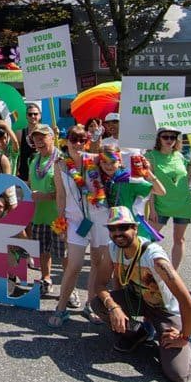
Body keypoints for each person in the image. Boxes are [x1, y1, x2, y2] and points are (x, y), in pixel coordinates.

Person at [90, 207, 191, 382]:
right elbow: (99, 284)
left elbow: (187, 302)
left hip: (165, 311)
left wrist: (184, 337)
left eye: (123, 227)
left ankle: (189, 337)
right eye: (112, 229)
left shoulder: (154, 257)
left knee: (178, 375)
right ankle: (139, 333)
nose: (117, 233)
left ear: (135, 228)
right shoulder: (113, 249)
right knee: (98, 304)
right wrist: (113, 306)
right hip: (138, 301)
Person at [50, 125, 112, 327]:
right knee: (74, 264)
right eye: (73, 139)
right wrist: (61, 223)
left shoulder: (94, 159)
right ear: (66, 141)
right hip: (75, 221)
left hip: (100, 218)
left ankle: (91, 306)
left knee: (97, 263)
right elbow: (60, 195)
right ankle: (61, 308)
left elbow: (116, 164)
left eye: (81, 140)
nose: (77, 144)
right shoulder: (60, 165)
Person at [148, 126, 191, 270]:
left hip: (183, 203)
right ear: (158, 138)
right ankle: (146, 269)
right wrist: (152, 208)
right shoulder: (151, 156)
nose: (169, 140)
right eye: (165, 137)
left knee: (179, 239)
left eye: (173, 137)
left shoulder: (180, 156)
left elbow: (187, 179)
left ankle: (172, 274)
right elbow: (149, 185)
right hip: (161, 203)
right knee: (148, 239)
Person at [27, 124, 63, 299]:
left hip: (59, 217)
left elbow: (68, 192)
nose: (39, 141)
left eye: (42, 137)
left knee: (63, 253)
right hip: (39, 216)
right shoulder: (34, 160)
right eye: (36, 138)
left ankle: (68, 288)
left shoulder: (61, 160)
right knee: (42, 250)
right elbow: (32, 184)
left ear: (52, 137)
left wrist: (46, 196)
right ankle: (46, 278)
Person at [17, 103, 44, 182]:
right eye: (30, 114)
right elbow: (16, 155)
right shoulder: (20, 133)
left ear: (40, 116)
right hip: (24, 174)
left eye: (35, 114)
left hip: (42, 174)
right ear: (26, 116)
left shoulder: (46, 133)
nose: (32, 116)